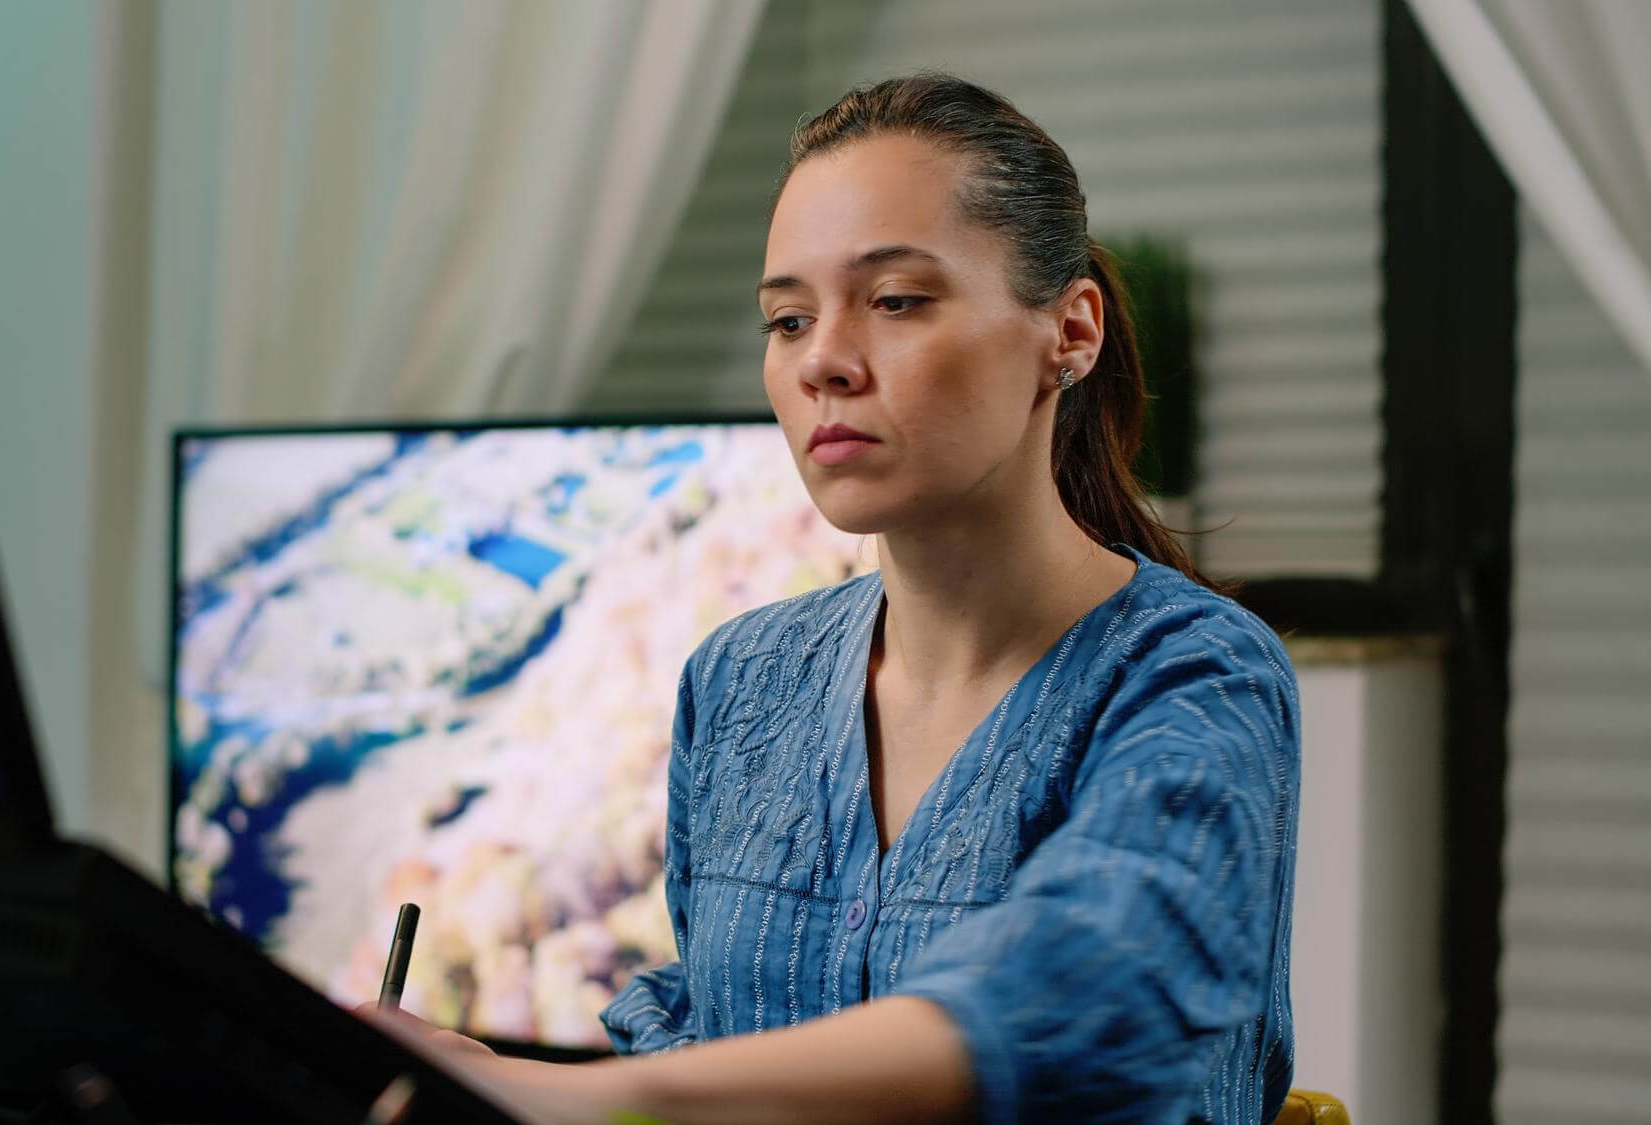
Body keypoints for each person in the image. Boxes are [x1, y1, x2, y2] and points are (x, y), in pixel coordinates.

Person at [361, 72, 1300, 1125]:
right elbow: (706, 1025)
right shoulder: (738, 680)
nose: (823, 363)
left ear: (1068, 332)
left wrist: (600, 1099)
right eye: (786, 319)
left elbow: (1086, 1000)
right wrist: (480, 1081)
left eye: (894, 301)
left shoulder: (1194, 674)